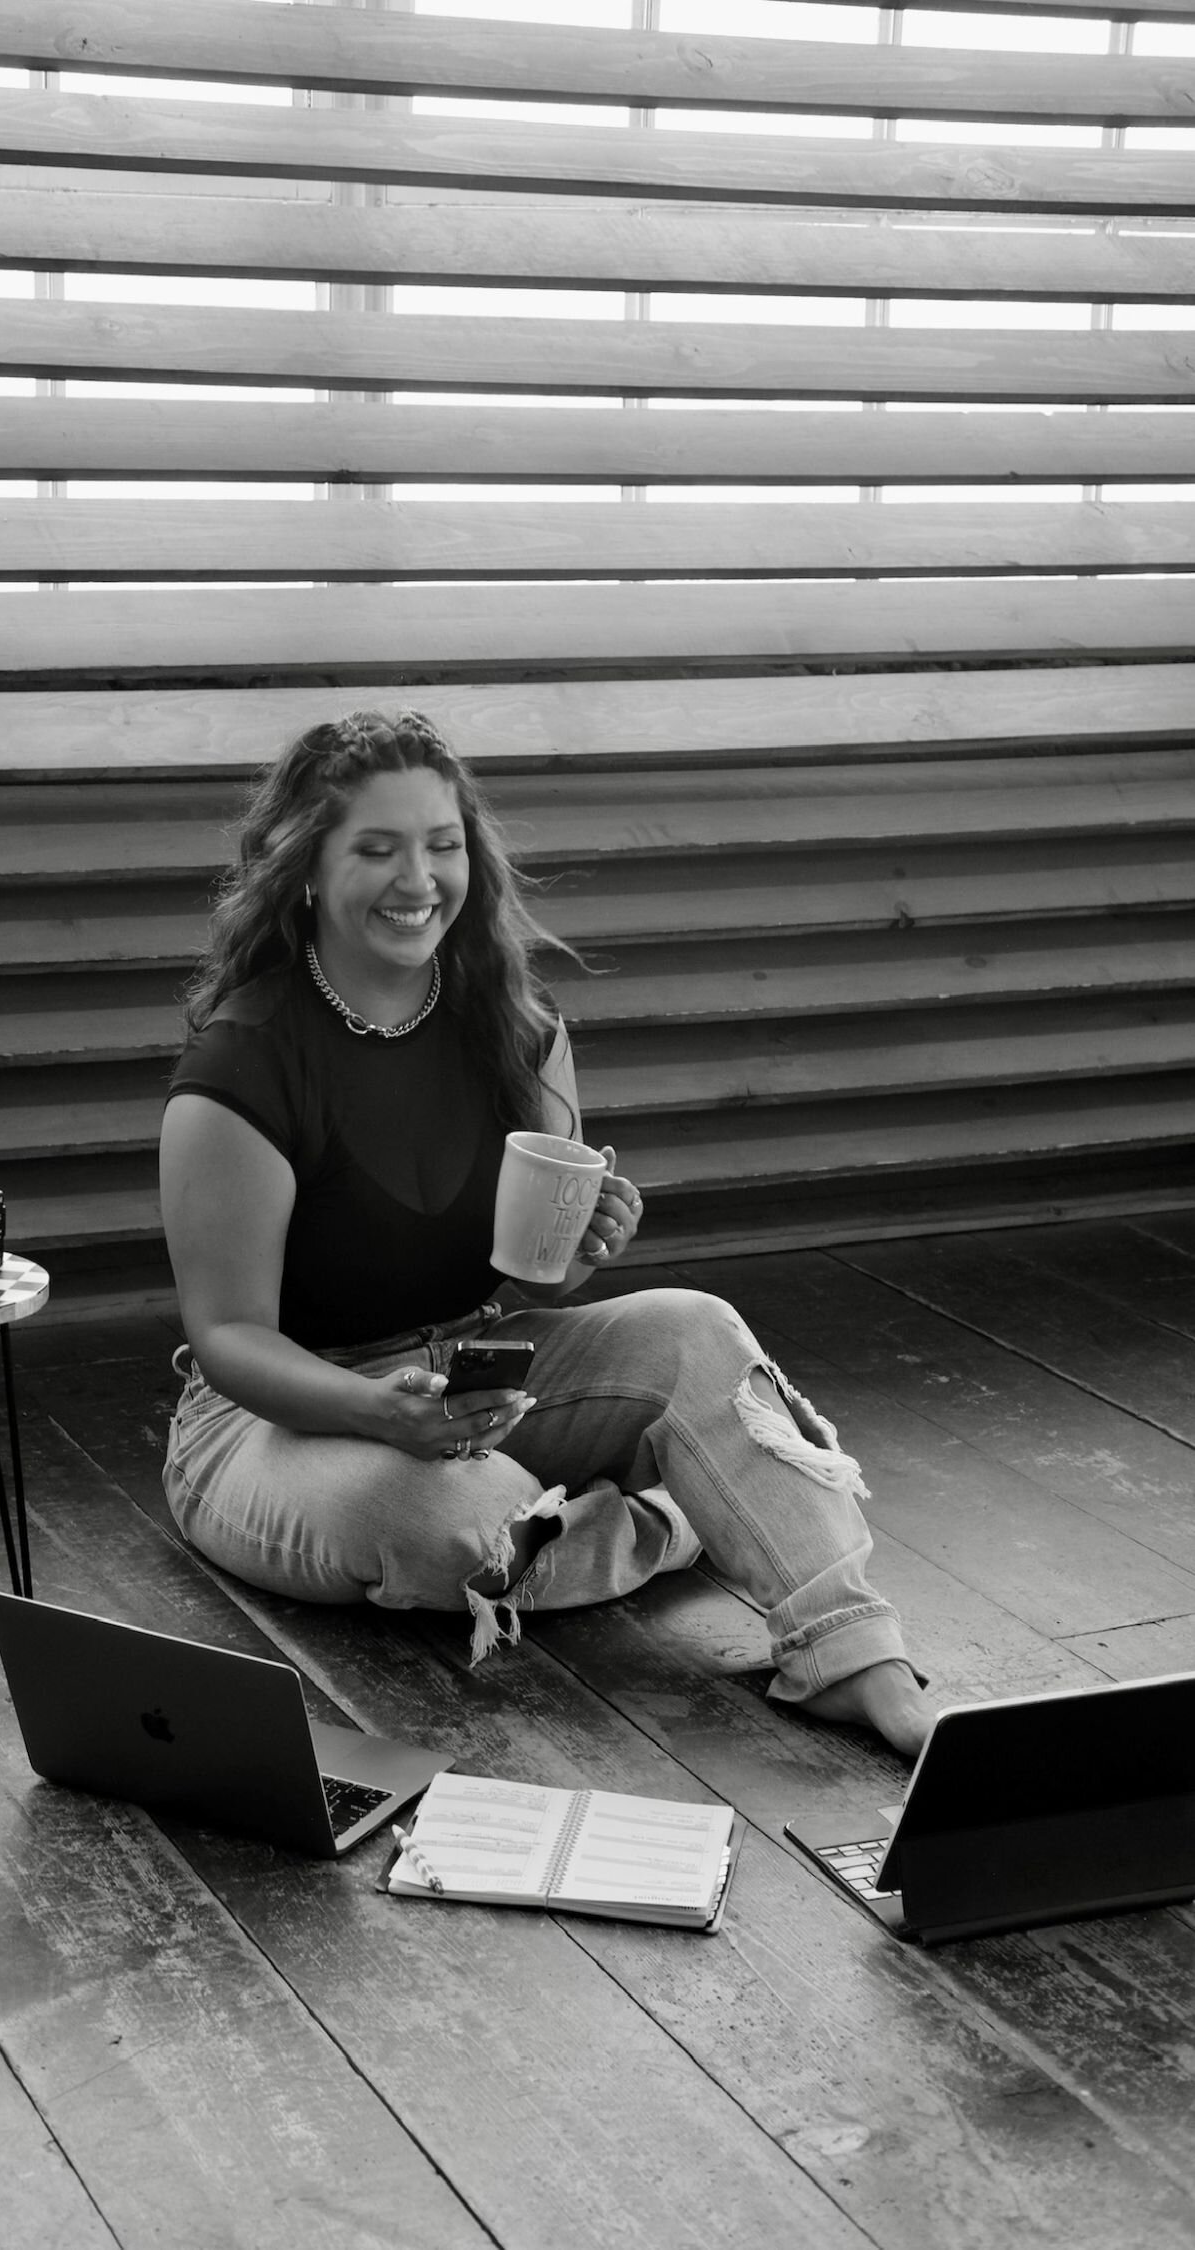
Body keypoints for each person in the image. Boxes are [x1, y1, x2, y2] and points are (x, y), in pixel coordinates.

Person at [160, 708, 930, 1758]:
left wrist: (582, 1247)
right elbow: (229, 1339)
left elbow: (536, 1283)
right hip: (273, 1420)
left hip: (471, 1374)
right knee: (452, 1522)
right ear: (307, 869)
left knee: (698, 1329)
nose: (417, 879)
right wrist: (382, 1414)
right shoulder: (241, 1064)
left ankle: (853, 1653)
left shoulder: (514, 1024)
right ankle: (683, 1517)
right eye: (376, 849)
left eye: (441, 845)